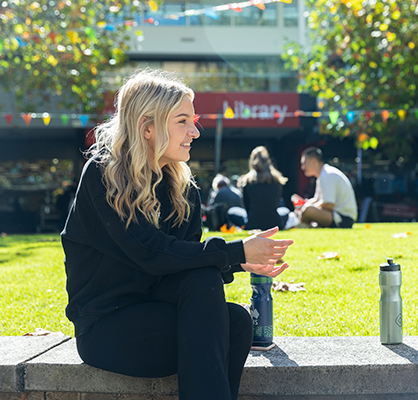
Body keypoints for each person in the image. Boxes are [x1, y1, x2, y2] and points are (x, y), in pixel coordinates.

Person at [60, 69, 293, 400]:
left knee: (238, 321)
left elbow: (184, 263)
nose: (195, 131)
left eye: (193, 121)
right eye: (183, 121)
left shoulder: (183, 189)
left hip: (159, 315)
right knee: (211, 291)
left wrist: (241, 262)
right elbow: (151, 253)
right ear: (148, 127)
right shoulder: (103, 174)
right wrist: (237, 253)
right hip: (107, 328)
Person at [292, 147, 357, 228]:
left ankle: (305, 224)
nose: (302, 167)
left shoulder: (327, 175)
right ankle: (305, 224)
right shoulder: (323, 175)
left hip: (343, 218)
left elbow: (329, 204)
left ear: (313, 161)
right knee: (304, 209)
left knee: (307, 210)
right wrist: (303, 203)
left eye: (304, 163)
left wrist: (306, 206)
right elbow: (318, 200)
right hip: (336, 215)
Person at [238, 146, 291, 231]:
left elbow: (246, 205)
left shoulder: (247, 181)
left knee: (232, 211)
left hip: (252, 223)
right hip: (274, 223)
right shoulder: (276, 179)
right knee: (284, 210)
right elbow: (276, 203)